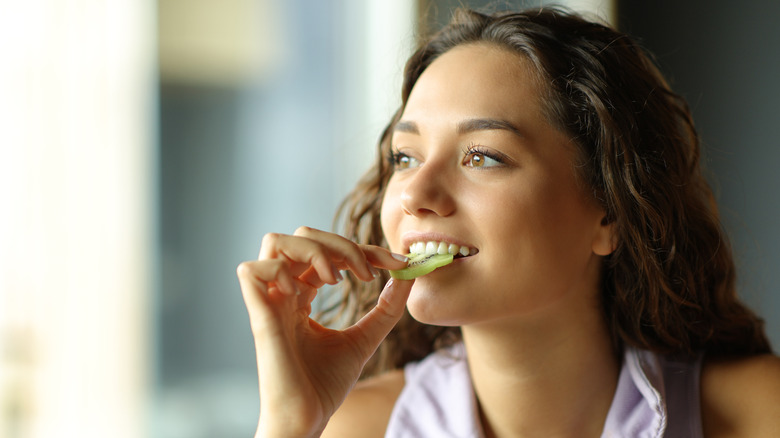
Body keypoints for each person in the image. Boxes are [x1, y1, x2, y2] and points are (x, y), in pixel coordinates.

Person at [236, 7, 780, 438]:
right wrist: (287, 426)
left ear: (610, 211)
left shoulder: (757, 415)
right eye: (405, 157)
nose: (415, 196)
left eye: (482, 156)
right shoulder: (353, 431)